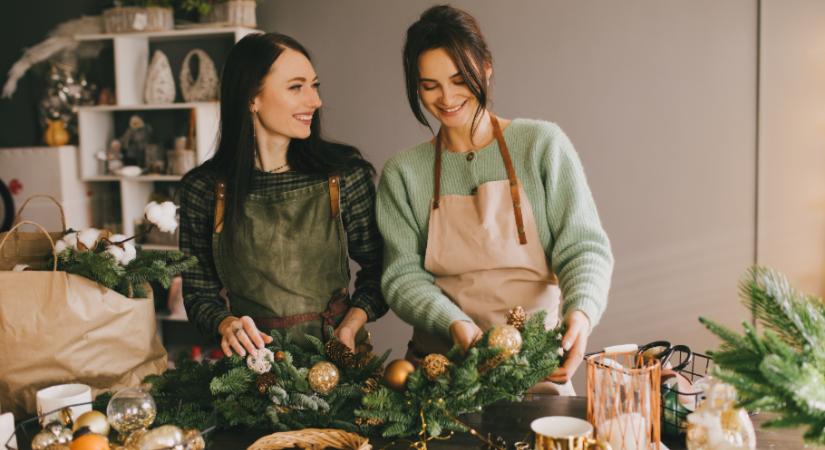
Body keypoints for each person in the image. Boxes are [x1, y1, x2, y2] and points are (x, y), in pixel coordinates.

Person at [376, 5, 614, 394]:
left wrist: (582, 314)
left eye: (459, 79)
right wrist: (456, 323)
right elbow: (401, 276)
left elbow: (583, 246)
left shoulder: (541, 145)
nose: (447, 97)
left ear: (486, 67)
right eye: (430, 85)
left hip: (533, 369)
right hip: (440, 371)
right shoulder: (404, 173)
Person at [180, 33, 387, 357]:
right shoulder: (204, 189)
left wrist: (349, 326)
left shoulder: (344, 175)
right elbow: (198, 294)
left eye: (314, 86)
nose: (315, 101)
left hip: (338, 364)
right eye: (296, 87)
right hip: (251, 370)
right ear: (252, 98)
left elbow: (380, 271)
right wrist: (226, 324)